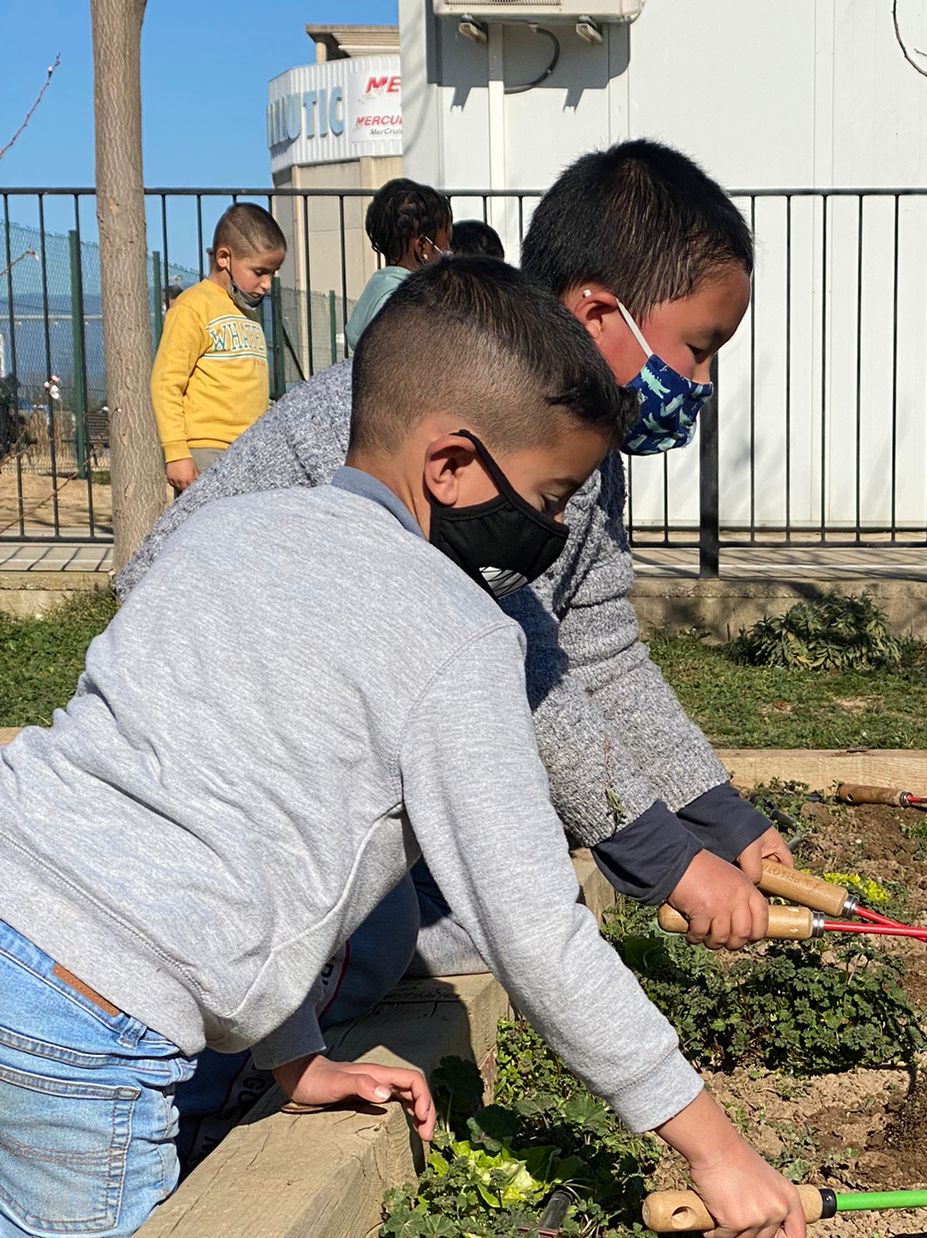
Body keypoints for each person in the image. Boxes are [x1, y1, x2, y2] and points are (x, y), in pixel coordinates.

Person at [0, 260, 804, 1238]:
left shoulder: (223, 532)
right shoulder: (456, 633)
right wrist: (716, 1148)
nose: (554, 533)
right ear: (453, 466)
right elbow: (536, 934)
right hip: (89, 1031)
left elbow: (237, 835)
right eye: (551, 500)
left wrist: (295, 1059)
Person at [120, 144, 787, 1152]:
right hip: (230, 776)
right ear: (599, 316)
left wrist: (720, 818)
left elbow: (598, 652)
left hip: (317, 776)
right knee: (383, 929)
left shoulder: (572, 456)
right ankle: (195, 1103)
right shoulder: (438, 424)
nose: (698, 381)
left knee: (455, 924)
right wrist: (664, 860)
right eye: (697, 348)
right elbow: (524, 670)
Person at [149, 203, 287, 493]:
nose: (267, 284)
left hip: (249, 449)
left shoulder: (247, 312)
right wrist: (177, 454)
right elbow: (166, 383)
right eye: (259, 272)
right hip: (205, 452)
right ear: (224, 258)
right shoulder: (192, 307)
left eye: (272, 274)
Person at [345, 179, 452, 348]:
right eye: (447, 243)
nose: (450, 252)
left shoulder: (378, 285)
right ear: (423, 247)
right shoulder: (402, 303)